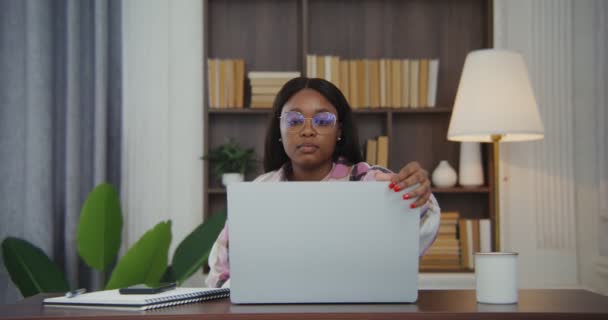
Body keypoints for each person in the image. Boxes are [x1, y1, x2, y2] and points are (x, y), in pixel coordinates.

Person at [206, 77, 440, 288]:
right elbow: (220, 272)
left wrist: (418, 190)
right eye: (294, 120)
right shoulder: (259, 192)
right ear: (280, 129)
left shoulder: (367, 181)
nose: (307, 130)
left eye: (323, 120)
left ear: (339, 130)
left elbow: (421, 223)